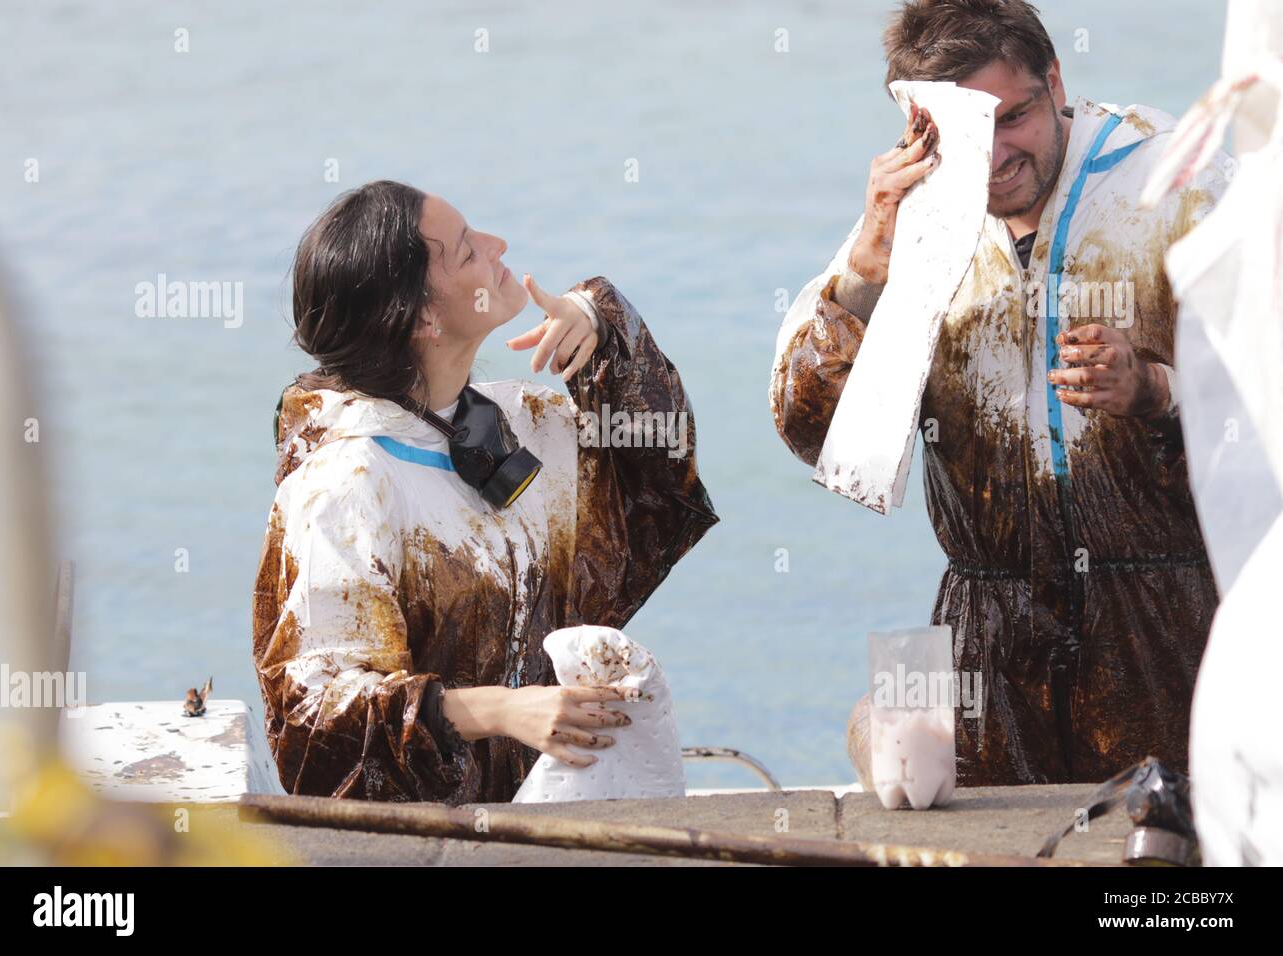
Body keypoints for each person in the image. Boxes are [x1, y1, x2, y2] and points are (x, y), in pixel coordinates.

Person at [770, 0, 1231, 785]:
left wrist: (1154, 388)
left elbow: (1268, 398)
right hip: (988, 627)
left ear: (1056, 81)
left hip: (1173, 610)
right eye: (961, 139)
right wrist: (866, 271)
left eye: (1012, 117)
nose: (991, 158)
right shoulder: (906, 227)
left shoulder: (1178, 185)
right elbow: (817, 433)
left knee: (1166, 874)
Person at [253, 180, 718, 803]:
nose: (498, 246)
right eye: (468, 251)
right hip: (419, 848)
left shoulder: (519, 421)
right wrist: (500, 711)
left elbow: (662, 485)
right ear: (421, 317)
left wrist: (604, 333)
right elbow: (316, 720)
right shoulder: (345, 486)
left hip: (539, 818)